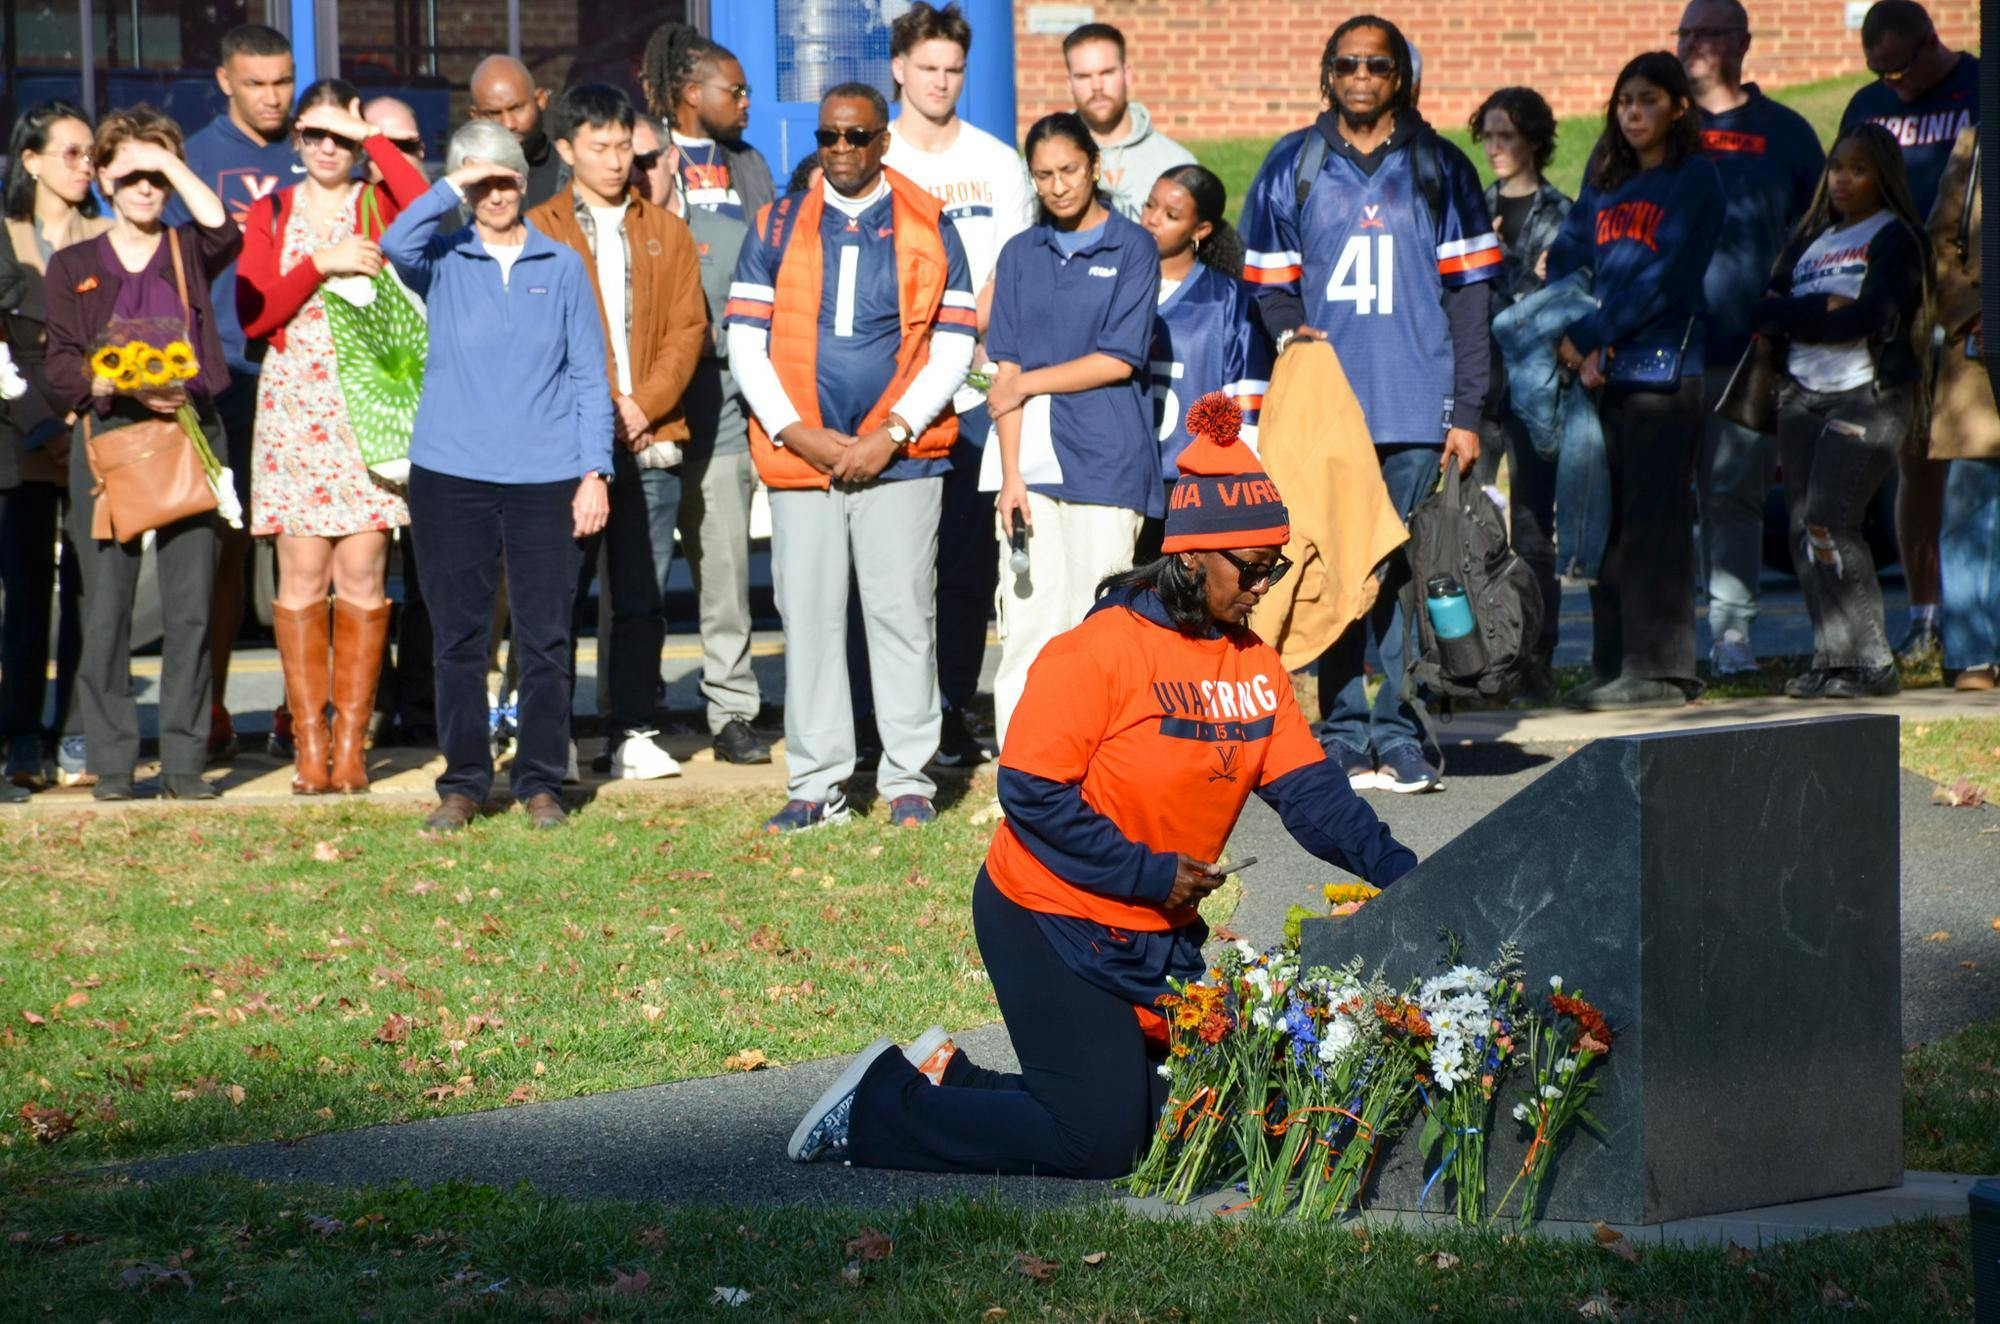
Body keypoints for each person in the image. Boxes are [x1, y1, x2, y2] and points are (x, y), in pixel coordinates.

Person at [784, 394, 1416, 1174]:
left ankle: (953, 1078)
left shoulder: (1254, 666)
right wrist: (1149, 873)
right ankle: (879, 1107)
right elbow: (1031, 792)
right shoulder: (1101, 651)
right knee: (1100, 1143)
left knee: (1192, 1122)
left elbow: (1313, 798)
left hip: (1148, 932)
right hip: (1047, 916)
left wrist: (1406, 876)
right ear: (1191, 556)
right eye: (1252, 569)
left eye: (1273, 567)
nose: (1264, 587)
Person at [1239, 14, 1498, 793]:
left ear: (1400, 77)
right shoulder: (1293, 164)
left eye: (1377, 65)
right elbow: (1268, 284)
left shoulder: (1442, 168)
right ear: (1327, 73)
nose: (1362, 76)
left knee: (1409, 581)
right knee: (1331, 573)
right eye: (1347, 63)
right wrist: (1292, 335)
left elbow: (1471, 298)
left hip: (1418, 406)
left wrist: (1469, 412)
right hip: (1327, 417)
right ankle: (1345, 728)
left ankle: (1405, 728)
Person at [726, 83, 976, 831]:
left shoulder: (930, 223)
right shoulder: (774, 223)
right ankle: (817, 785)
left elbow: (954, 344)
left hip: (900, 456)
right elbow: (745, 340)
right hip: (801, 458)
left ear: (883, 141)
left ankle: (908, 782)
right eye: (828, 137)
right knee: (808, 618)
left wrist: (890, 432)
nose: (840, 150)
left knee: (901, 617)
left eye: (856, 136)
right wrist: (795, 431)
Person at [380, 120, 612, 832]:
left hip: (547, 477)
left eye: (506, 178)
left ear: (526, 182)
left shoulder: (563, 265)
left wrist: (594, 472)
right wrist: (454, 179)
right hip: (452, 475)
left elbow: (587, 377)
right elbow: (395, 242)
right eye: (480, 183)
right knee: (459, 638)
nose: (495, 193)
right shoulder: (442, 259)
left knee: (544, 637)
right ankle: (464, 782)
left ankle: (540, 781)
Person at [235, 84, 430, 795]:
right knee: (302, 581)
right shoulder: (272, 211)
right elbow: (253, 314)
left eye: (338, 137)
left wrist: (369, 135)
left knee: (364, 580)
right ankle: (308, 741)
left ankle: (352, 742)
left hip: (368, 410)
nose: (326, 148)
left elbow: (423, 199)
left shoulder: (377, 203)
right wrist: (320, 263)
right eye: (312, 134)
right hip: (295, 408)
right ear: (294, 143)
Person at [43, 105, 240, 801]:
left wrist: (168, 160)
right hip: (108, 445)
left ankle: (186, 765)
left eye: (156, 176)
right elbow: (58, 361)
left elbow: (224, 228)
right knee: (105, 610)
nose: (145, 188)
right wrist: (102, 379)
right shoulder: (72, 264)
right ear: (101, 179)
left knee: (190, 609)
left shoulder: (187, 247)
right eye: (129, 175)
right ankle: (115, 765)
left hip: (189, 434)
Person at [528, 84, 707, 780]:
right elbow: (540, 339)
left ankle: (633, 727)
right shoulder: (540, 228)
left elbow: (688, 328)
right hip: (567, 449)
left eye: (623, 146)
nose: (614, 160)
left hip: (651, 438)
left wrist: (643, 403)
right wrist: (601, 411)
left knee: (640, 598)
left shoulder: (666, 230)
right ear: (567, 149)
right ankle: (555, 736)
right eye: (598, 147)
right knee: (560, 596)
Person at [881, 2, 1035, 769]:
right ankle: (893, 710)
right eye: (928, 67)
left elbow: (1007, 274)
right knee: (897, 564)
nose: (941, 81)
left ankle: (947, 707)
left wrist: (965, 345)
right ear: (898, 69)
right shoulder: (875, 158)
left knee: (967, 568)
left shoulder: (997, 162)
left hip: (974, 394)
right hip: (894, 392)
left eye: (953, 69)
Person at [1547, 52, 1725, 711]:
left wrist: (1593, 336)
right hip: (1602, 374)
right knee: (1609, 525)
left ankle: (1662, 670)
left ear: (1679, 107)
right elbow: (1568, 252)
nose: (1633, 112)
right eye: (1624, 101)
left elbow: (1667, 279)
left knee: (1657, 522)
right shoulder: (1608, 179)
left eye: (1648, 99)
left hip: (1663, 375)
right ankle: (1614, 662)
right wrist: (1571, 327)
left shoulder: (1695, 179)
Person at [986, 112, 1161, 755]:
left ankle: (1107, 772)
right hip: (1031, 468)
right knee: (1029, 627)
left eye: (1068, 170)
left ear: (1094, 167)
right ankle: (1024, 777)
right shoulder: (1019, 254)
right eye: (1043, 175)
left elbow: (1118, 359)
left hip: (1106, 463)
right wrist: (1009, 478)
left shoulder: (1132, 247)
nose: (1057, 185)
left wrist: (1030, 384)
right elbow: (1004, 371)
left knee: (1103, 628)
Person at [1754, 124, 1931, 700]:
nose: (1842, 180)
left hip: (1866, 392)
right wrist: (1819, 307)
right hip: (1801, 394)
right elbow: (1764, 310)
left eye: (1857, 169)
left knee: (1831, 518)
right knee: (1805, 532)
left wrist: (1805, 314)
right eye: (1836, 168)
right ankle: (1833, 659)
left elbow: (1868, 317)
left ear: (1883, 176)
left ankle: (1872, 661)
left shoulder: (1895, 237)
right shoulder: (1810, 237)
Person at [1678, 0, 1826, 677]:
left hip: (1748, 356)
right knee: (1655, 503)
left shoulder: (1787, 134)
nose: (1694, 44)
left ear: (1743, 42)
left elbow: (1822, 241)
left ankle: (1731, 635)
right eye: (1686, 32)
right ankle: (1661, 642)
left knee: (1733, 496)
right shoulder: (1658, 124)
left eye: (1709, 32)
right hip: (1659, 352)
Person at [637, 61, 775, 768]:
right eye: (632, 165)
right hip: (641, 426)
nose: (642, 174)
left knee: (723, 574)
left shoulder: (730, 216)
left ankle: (731, 711)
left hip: (717, 414)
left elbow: (756, 310)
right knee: (638, 577)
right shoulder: (614, 238)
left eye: (652, 164)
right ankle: (630, 713)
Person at [171, 22, 298, 763]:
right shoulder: (196, 156)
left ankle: (297, 711)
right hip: (225, 381)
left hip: (306, 380)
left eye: (281, 80)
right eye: (255, 83)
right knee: (217, 558)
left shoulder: (313, 148)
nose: (272, 96)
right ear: (225, 81)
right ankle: (210, 710)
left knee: (305, 556)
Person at [1839, 0, 1979, 667]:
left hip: (1968, 298)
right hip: (1900, 303)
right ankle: (1925, 618)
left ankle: (1977, 619)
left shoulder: (1978, 88)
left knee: (1976, 462)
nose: (1889, 83)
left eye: (1898, 69)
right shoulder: (1866, 105)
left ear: (1930, 44)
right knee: (1915, 462)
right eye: (1877, 72)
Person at [0, 102, 106, 793]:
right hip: (14, 434)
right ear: (31, 160)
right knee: (26, 589)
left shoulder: (107, 235)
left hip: (93, 429)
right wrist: (41, 414)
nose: (85, 165)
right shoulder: (4, 236)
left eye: (90, 153)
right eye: (69, 152)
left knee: (92, 594)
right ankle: (20, 738)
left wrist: (79, 415)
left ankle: (76, 730)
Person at [1469, 86, 1568, 703]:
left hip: (1536, 387)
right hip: (1480, 387)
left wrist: (1501, 266)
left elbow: (1555, 299)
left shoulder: (1562, 212)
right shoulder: (1473, 210)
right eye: (1488, 135)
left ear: (1535, 139)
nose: (1496, 148)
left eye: (1508, 135)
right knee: (1474, 525)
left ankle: (1536, 659)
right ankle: (1480, 660)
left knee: (1532, 529)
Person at [1138, 163, 1271, 553]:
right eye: (1149, 206)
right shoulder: (1114, 282)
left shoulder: (1227, 299)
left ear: (1201, 231)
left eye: (1171, 215)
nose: (1152, 220)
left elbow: (1247, 407)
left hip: (1189, 487)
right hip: (1120, 478)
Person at [1931, 126, 2000, 692]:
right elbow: (1940, 243)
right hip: (1979, 357)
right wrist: (1970, 310)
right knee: (1969, 509)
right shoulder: (1973, 143)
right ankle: (1972, 653)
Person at [641, 23, 776, 227]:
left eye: (746, 92)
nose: (745, 102)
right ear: (693, 93)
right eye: (736, 91)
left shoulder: (749, 161)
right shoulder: (650, 158)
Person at [1061, 23, 1194, 221]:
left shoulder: (1176, 163)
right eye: (1083, 76)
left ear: (1127, 74)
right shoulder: (1047, 163)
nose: (1097, 86)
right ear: (1069, 83)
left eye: (1107, 73)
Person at [468, 55, 565, 210]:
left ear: (540, 100)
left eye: (517, 108)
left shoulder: (577, 173)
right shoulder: (461, 188)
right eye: (493, 113)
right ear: (476, 117)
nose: (508, 124)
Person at [631, 114, 675, 210]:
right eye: (629, 169)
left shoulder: (713, 224)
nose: (636, 176)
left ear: (672, 159)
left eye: (645, 161)